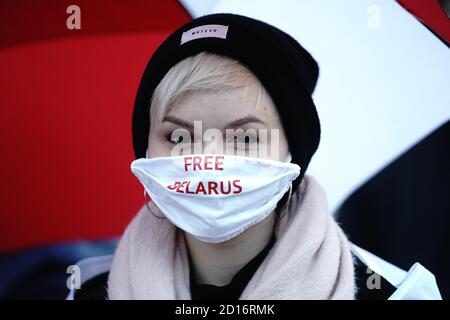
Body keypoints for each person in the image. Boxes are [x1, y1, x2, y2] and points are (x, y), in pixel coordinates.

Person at [67, 13, 441, 300]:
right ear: (145, 148)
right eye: (179, 135)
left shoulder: (389, 293)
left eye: (244, 137)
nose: (208, 159)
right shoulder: (92, 289)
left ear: (293, 149)